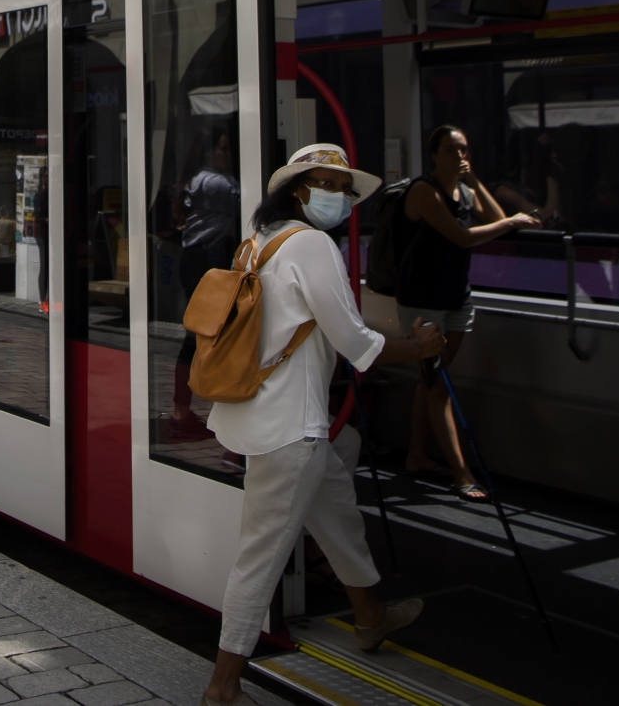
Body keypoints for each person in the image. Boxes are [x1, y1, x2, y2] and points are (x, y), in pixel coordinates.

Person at [204, 145, 448, 703]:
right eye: (326, 183)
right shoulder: (311, 244)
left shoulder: (259, 241)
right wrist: (419, 346)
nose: (338, 196)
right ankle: (222, 687)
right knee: (259, 557)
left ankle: (369, 616)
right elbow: (354, 340)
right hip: (292, 427)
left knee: (336, 495)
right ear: (297, 189)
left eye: (344, 187)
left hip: (261, 414)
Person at [399, 125, 538, 501]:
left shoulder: (464, 190)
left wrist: (474, 179)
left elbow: (493, 216)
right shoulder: (424, 191)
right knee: (437, 384)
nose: (459, 157)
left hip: (456, 297)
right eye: (450, 150)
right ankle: (462, 474)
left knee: (431, 382)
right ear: (434, 156)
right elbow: (462, 236)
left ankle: (416, 455)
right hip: (423, 300)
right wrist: (509, 222)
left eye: (464, 150)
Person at [171, 130, 243, 432]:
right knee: (215, 338)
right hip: (208, 262)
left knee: (199, 337)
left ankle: (182, 411)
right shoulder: (215, 182)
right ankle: (193, 414)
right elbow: (249, 201)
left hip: (199, 260)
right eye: (223, 149)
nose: (227, 155)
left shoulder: (201, 179)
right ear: (208, 153)